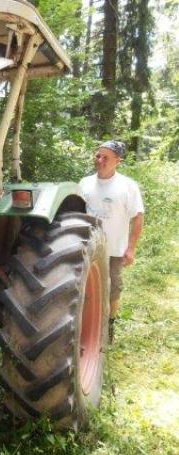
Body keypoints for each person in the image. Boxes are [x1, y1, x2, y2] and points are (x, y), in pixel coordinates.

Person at [79, 140, 145, 341]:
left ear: (118, 161)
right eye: (98, 155)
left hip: (114, 249)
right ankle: (85, 327)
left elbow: (138, 216)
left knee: (113, 288)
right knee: (83, 288)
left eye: (105, 157)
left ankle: (109, 323)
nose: (100, 160)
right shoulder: (85, 183)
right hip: (85, 247)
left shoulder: (127, 186)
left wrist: (131, 248)